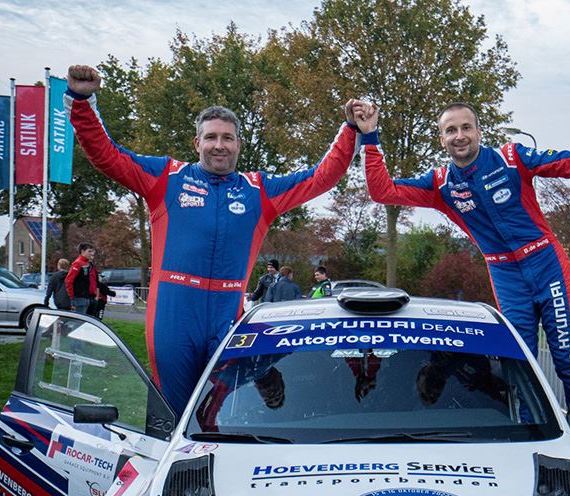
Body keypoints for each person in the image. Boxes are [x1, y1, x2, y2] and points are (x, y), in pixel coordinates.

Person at [66, 64, 363, 415]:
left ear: (238, 144)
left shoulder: (259, 190)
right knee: (172, 414)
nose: (219, 145)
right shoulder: (167, 177)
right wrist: (82, 101)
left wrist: (350, 130)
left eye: (227, 138)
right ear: (198, 143)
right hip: (174, 314)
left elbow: (320, 178)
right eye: (211, 137)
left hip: (227, 313)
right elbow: (106, 155)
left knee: (217, 414)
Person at [354, 101, 570, 404]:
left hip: (546, 263)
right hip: (505, 275)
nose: (459, 135)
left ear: (479, 132)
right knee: (519, 363)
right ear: (442, 139)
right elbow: (383, 191)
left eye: (466, 128)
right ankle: (530, 428)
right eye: (451, 130)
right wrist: (369, 136)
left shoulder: (512, 158)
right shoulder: (441, 183)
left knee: (567, 360)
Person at [65, 243, 99, 315]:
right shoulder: (78, 263)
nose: (91, 253)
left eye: (92, 251)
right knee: (79, 319)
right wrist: (72, 297)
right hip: (80, 298)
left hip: (88, 297)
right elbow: (68, 281)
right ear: (82, 251)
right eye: (89, 251)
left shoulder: (88, 264)